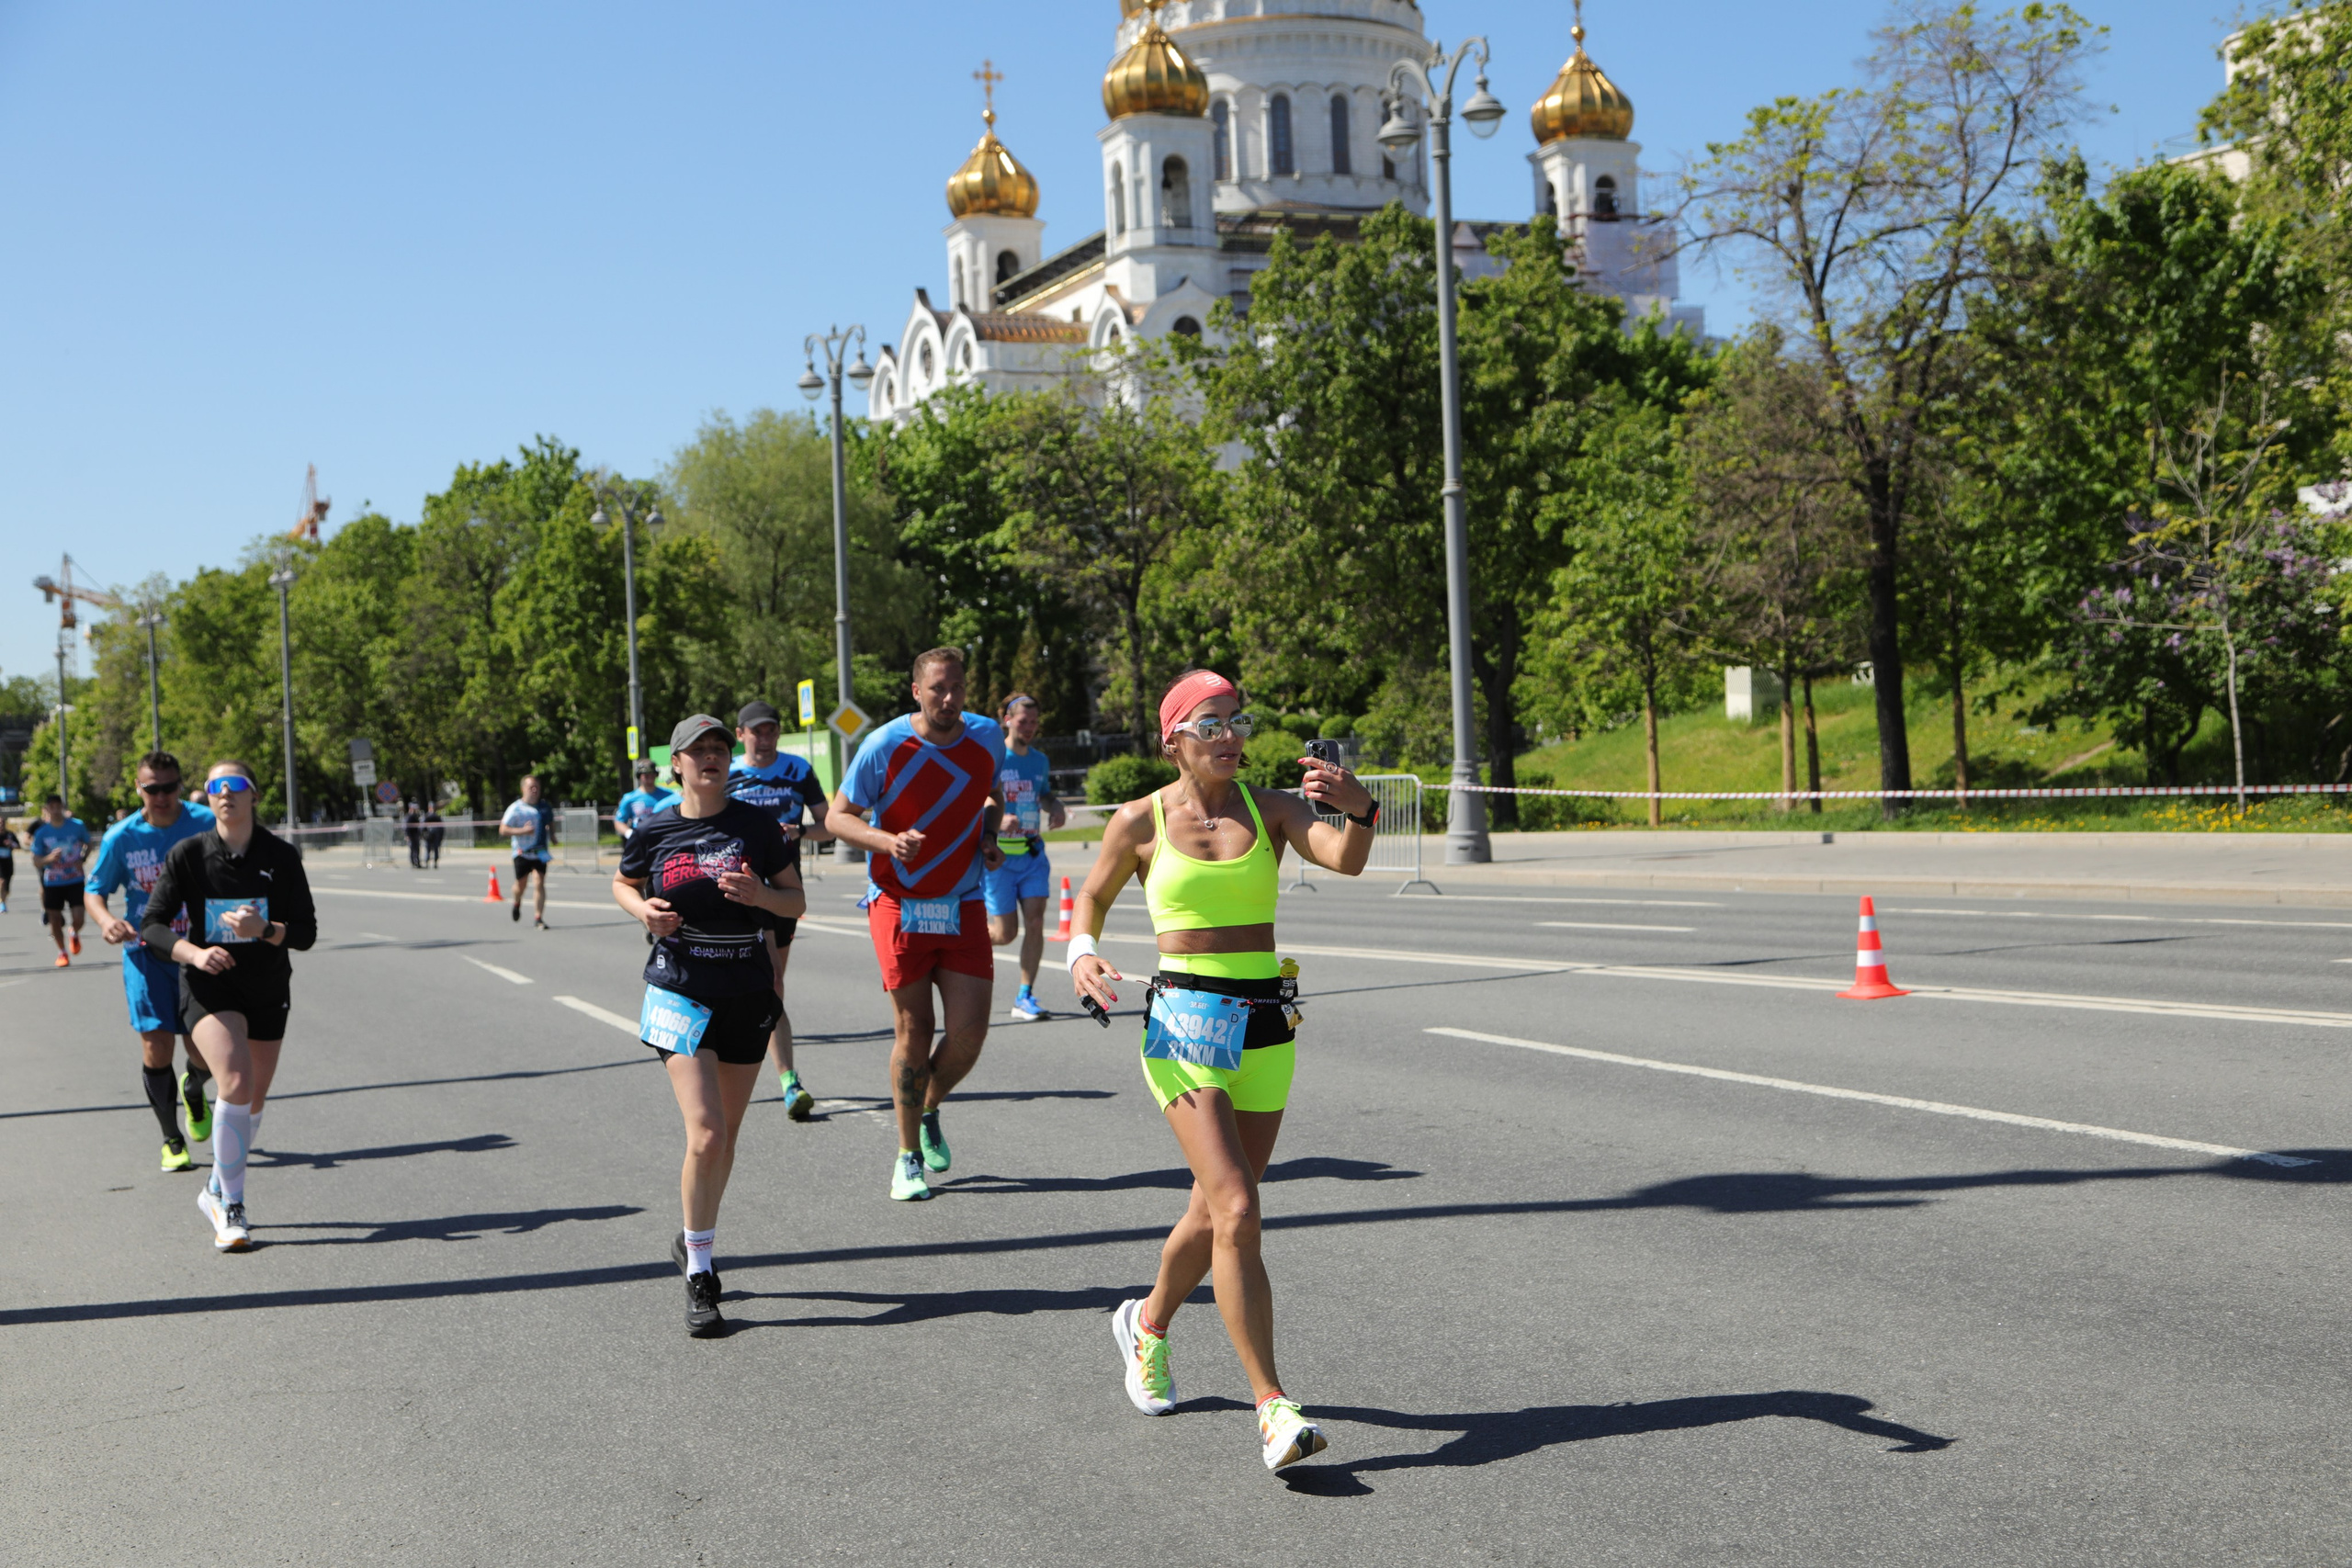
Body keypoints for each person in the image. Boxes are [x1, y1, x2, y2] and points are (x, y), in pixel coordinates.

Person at [1069, 670, 1377, 1472]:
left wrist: (1361, 807)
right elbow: (1092, 899)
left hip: (1268, 1027)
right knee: (1239, 1206)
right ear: (1174, 739)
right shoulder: (1140, 820)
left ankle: (1147, 1325)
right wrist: (1082, 953)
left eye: (1237, 721)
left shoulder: (1271, 808)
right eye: (1211, 725)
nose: (1231, 736)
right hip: (1182, 1027)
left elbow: (1345, 858)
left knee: (1214, 1213)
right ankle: (1273, 1405)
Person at [613, 715, 807, 1337]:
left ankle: (692, 1233)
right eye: (698, 751)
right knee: (706, 1133)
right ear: (676, 764)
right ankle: (701, 1271)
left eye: (720, 749)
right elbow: (623, 880)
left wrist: (760, 895)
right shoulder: (656, 827)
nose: (711, 758)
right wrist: (644, 909)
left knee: (725, 1139)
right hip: (679, 987)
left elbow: (794, 900)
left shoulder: (756, 826)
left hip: (746, 988)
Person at [825, 649, 1007, 1201]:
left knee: (971, 1034)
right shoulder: (883, 746)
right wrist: (887, 841)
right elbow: (837, 817)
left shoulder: (987, 738)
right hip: (899, 905)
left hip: (963, 902)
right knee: (915, 1031)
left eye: (956, 688)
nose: (948, 699)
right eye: (937, 690)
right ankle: (907, 1159)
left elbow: (991, 791)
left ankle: (927, 1105)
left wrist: (989, 835)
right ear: (916, 692)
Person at [141, 761, 318, 1251]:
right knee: (234, 1082)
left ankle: (215, 1187)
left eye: (235, 785)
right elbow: (153, 926)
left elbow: (304, 933)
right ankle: (232, 1206)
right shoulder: (190, 854)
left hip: (266, 986)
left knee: (252, 1100)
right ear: (208, 797)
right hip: (209, 985)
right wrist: (195, 953)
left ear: (253, 794)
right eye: (216, 787)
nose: (225, 794)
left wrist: (263, 931)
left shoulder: (280, 856)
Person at [85, 752, 218, 1172]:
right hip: (146, 953)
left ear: (180, 785)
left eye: (169, 787)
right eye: (152, 788)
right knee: (156, 1045)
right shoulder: (121, 836)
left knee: (204, 1049)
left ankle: (194, 1089)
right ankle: (171, 1138)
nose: (162, 796)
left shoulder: (204, 822)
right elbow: (95, 890)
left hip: (198, 950)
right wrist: (106, 922)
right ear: (138, 788)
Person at [726, 700, 835, 1120]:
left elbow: (830, 825)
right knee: (759, 981)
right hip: (735, 890)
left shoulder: (798, 770)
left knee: (772, 986)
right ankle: (784, 1078)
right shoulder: (728, 773)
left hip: (784, 891)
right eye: (757, 731)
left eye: (771, 729)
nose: (765, 737)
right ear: (741, 735)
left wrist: (801, 831)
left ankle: (782, 1078)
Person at [984, 694, 1068, 1022]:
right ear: (1008, 719)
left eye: (1034, 722)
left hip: (1032, 855)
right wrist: (996, 819)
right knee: (1004, 934)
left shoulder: (1039, 760)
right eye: (1023, 721)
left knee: (1035, 923)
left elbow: (1043, 793)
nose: (1030, 727)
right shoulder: (993, 758)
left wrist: (1056, 805)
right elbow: (972, 798)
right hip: (1000, 858)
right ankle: (960, 946)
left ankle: (1024, 996)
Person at [29, 794, 92, 968]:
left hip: (75, 879)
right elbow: (36, 859)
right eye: (52, 807)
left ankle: (74, 931)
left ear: (62, 807)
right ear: (47, 809)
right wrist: (49, 858)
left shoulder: (77, 826)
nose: (56, 810)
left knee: (79, 917)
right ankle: (62, 952)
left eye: (59, 807)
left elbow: (89, 843)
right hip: (53, 881)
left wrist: (83, 858)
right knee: (54, 919)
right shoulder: (42, 833)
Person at [500, 774, 552, 928]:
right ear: (523, 789)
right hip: (522, 852)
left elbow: (550, 821)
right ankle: (517, 902)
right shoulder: (515, 808)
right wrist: (522, 831)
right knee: (521, 885)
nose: (535, 790)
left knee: (539, 881)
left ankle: (538, 918)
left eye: (537, 787)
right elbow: (503, 829)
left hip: (540, 851)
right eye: (531, 787)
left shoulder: (544, 807)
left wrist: (553, 835)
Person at [616, 761, 678, 841]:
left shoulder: (669, 796)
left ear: (656, 775)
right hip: (641, 840)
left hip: (665, 839)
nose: (649, 779)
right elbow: (619, 821)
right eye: (646, 775)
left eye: (652, 775)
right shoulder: (629, 798)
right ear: (639, 776)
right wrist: (630, 833)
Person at [0, 817, 17, 912]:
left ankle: (3, 899)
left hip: (8, 862)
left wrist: (11, 844)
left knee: (6, 887)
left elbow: (18, 845)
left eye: (2, 823)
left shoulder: (9, 834)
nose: (1, 825)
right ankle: (2, 904)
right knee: (1, 882)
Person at [423, 803, 445, 868]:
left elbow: (441, 828)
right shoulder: (428, 816)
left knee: (434, 849)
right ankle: (428, 861)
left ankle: (434, 862)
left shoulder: (435, 817)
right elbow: (423, 827)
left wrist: (441, 836)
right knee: (429, 849)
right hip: (429, 836)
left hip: (434, 836)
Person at [404, 801, 424, 868]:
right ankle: (413, 862)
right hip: (412, 835)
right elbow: (407, 827)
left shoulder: (416, 816)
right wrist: (407, 835)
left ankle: (417, 862)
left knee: (416, 849)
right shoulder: (410, 816)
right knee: (413, 849)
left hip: (415, 835)